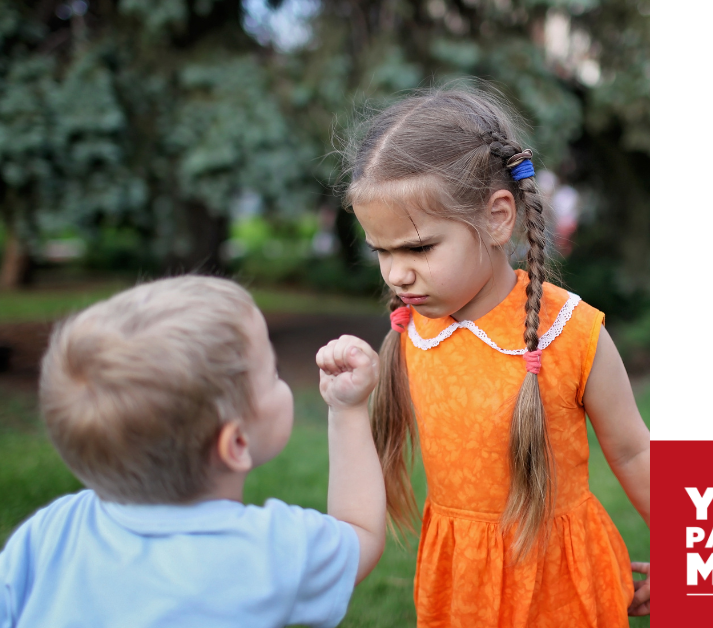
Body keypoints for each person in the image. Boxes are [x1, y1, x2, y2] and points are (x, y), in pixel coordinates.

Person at [342, 85, 651, 626]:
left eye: (418, 247)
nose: (396, 274)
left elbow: (633, 453)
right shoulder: (413, 331)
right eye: (381, 251)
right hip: (461, 584)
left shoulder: (569, 331)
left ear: (497, 217)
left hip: (562, 585)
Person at [0, 276, 386, 627]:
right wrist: (347, 410)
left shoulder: (52, 530)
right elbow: (361, 534)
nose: (279, 377)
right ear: (236, 444)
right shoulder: (270, 550)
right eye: (274, 373)